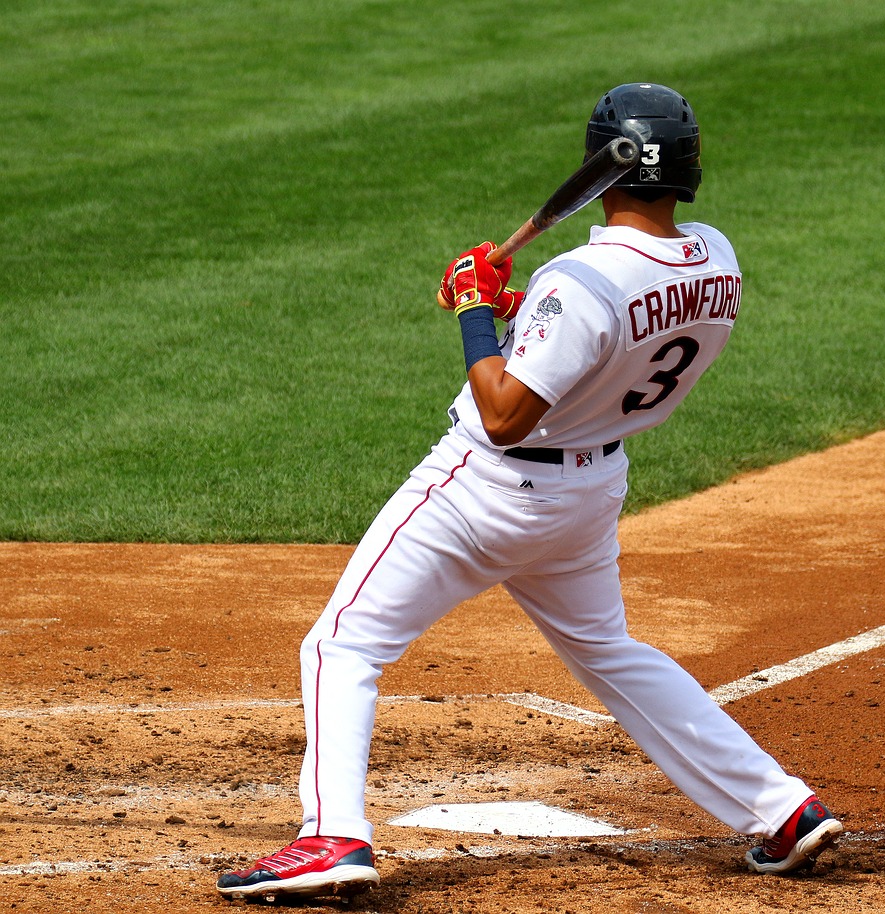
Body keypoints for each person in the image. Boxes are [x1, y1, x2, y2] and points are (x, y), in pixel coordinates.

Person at [216, 82, 842, 902]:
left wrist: (478, 312)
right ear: (688, 168)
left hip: (485, 490)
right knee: (609, 652)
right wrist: (520, 309)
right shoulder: (715, 258)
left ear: (597, 165)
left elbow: (506, 411)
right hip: (588, 496)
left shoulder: (578, 280)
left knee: (343, 644)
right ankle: (780, 809)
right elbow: (607, 341)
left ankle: (332, 836)